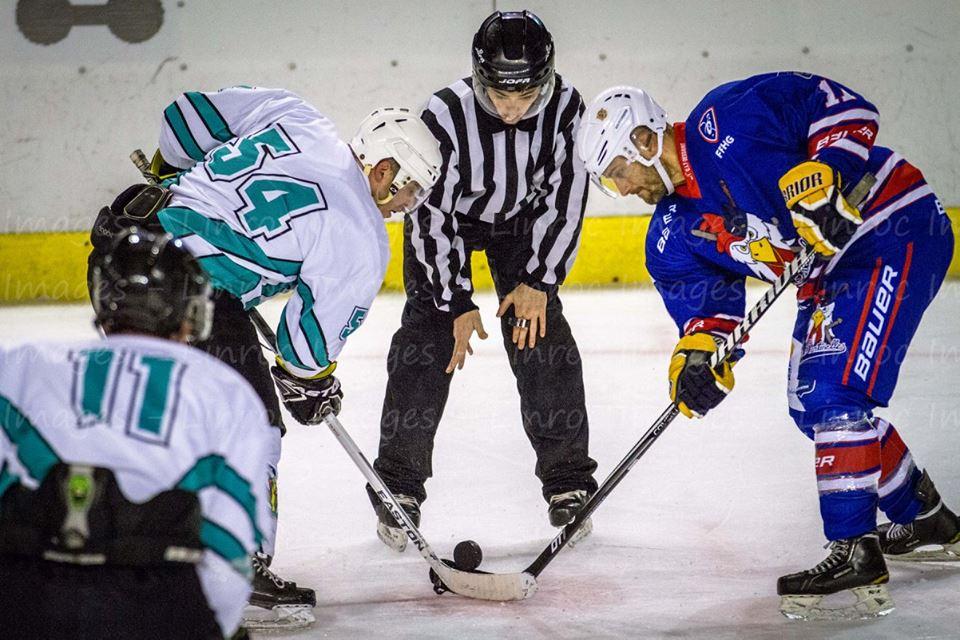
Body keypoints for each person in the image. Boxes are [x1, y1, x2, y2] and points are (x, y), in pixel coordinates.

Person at [577, 74, 957, 620]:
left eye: (619, 172)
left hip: (889, 225)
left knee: (834, 393)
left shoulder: (724, 119)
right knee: (811, 407)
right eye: (611, 184)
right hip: (829, 271)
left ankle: (855, 549)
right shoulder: (670, 235)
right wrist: (698, 359)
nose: (625, 188)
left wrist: (827, 173)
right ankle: (925, 516)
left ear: (642, 139)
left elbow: (845, 108)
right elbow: (710, 315)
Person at [87, 87, 442, 628]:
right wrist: (312, 384)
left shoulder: (299, 115)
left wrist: (171, 173)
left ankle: (104, 543)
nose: (403, 207)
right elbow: (306, 347)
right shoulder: (362, 236)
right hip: (188, 293)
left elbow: (185, 120)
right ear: (384, 168)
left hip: (121, 250)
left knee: (158, 420)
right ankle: (236, 568)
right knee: (252, 425)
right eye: (408, 190)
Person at [370, 10, 598, 552]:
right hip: (452, 220)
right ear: (477, 79)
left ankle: (568, 482)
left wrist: (539, 280)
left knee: (541, 336)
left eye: (526, 96)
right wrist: (454, 302)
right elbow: (429, 213)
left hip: (523, 223)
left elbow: (567, 197)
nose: (513, 110)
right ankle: (399, 488)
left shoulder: (568, 109)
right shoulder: (443, 115)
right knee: (427, 342)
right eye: (499, 96)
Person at [0, 228, 272, 639]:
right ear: (190, 310)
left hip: (27, 597)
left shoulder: (23, 364)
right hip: (153, 605)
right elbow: (229, 537)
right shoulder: (224, 391)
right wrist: (215, 627)